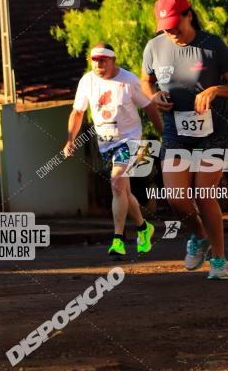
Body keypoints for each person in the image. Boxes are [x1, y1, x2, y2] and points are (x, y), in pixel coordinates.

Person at [141, 0, 228, 281]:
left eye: (175, 24)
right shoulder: (154, 47)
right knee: (176, 198)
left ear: (189, 15)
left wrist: (215, 90)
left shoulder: (212, 45)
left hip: (214, 131)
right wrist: (154, 96)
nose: (171, 31)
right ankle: (199, 236)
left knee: (203, 192)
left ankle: (219, 260)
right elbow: (145, 80)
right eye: (165, 26)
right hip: (176, 130)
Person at [64, 43, 163, 258]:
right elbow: (78, 112)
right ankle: (143, 228)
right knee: (123, 191)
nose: (98, 64)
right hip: (106, 143)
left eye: (103, 60)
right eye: (95, 60)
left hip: (130, 140)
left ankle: (118, 239)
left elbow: (149, 107)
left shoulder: (128, 80)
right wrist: (70, 139)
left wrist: (164, 134)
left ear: (113, 60)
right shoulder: (87, 81)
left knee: (116, 181)